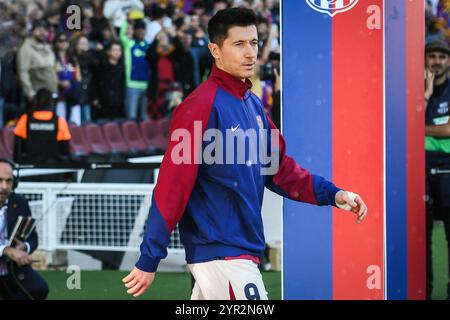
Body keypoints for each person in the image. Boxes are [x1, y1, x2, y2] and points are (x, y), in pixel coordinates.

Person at [123, 7, 367, 300]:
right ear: (215, 49)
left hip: (235, 253)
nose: (250, 52)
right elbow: (172, 185)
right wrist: (150, 256)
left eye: (254, 43)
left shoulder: (252, 105)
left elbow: (280, 170)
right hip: (223, 256)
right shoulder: (199, 106)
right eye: (239, 44)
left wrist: (334, 194)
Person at [0, 159, 49, 300]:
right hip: (9, 259)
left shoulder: (20, 202)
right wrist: (7, 250)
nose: (4, 186)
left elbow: (33, 238)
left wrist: (24, 247)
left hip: (13, 269)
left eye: (8, 181)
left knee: (40, 288)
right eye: (0, 180)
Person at [424, 40, 450, 300]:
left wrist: (419, 130)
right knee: (422, 240)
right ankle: (425, 292)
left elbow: (449, 130)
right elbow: (404, 125)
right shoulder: (418, 90)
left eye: (442, 56)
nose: (437, 61)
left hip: (447, 174)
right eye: (432, 56)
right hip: (419, 175)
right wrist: (426, 94)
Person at [13, 88, 71, 164]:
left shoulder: (25, 119)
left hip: (29, 167)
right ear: (51, 102)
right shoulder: (59, 121)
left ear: (35, 101)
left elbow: (18, 148)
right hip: (53, 167)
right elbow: (65, 150)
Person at [16, 19, 58, 108]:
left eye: (45, 31)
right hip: (36, 97)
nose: (43, 33)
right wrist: (29, 92)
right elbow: (23, 72)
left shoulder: (48, 48)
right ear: (33, 31)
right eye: (39, 30)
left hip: (51, 94)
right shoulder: (26, 48)